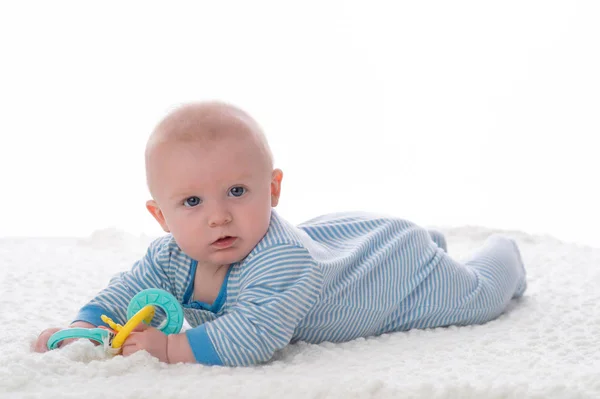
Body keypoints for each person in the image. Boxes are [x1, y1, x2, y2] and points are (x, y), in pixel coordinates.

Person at [33, 101, 527, 366]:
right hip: (346, 246)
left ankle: (502, 253)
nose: (218, 216)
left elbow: (254, 337)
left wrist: (170, 348)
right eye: (191, 202)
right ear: (161, 217)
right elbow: (125, 293)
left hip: (393, 273)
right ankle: (432, 237)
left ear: (272, 189)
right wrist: (85, 325)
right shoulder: (169, 257)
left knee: (479, 298)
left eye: (237, 191)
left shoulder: (280, 259)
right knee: (359, 241)